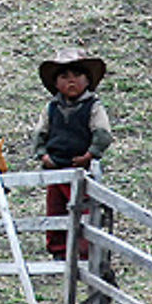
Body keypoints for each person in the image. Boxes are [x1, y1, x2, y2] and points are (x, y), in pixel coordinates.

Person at [32, 47, 113, 260]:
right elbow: (40, 133)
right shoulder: (51, 108)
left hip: (81, 168)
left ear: (87, 80)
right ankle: (59, 250)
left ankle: (85, 251)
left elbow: (102, 134)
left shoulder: (93, 106)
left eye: (77, 75)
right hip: (56, 166)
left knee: (83, 209)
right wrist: (42, 155)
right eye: (64, 76)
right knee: (55, 208)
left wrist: (90, 155)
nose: (71, 81)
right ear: (56, 83)